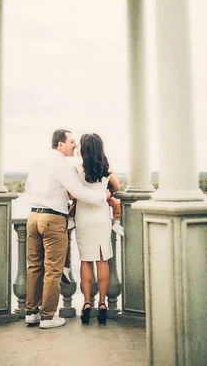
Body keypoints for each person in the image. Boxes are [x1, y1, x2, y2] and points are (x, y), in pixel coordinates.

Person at [25, 129, 106, 329]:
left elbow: (27, 187)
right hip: (53, 219)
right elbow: (79, 193)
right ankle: (48, 317)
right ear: (60, 144)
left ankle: (31, 312)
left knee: (34, 267)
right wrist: (103, 198)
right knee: (53, 269)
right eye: (71, 141)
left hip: (33, 216)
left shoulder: (37, 162)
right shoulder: (62, 165)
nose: (75, 145)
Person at [73, 133, 120, 326]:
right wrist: (105, 192)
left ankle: (85, 304)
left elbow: (72, 193)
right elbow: (116, 187)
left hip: (83, 217)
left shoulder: (76, 169)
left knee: (85, 260)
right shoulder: (106, 168)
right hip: (101, 217)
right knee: (102, 259)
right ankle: (102, 304)